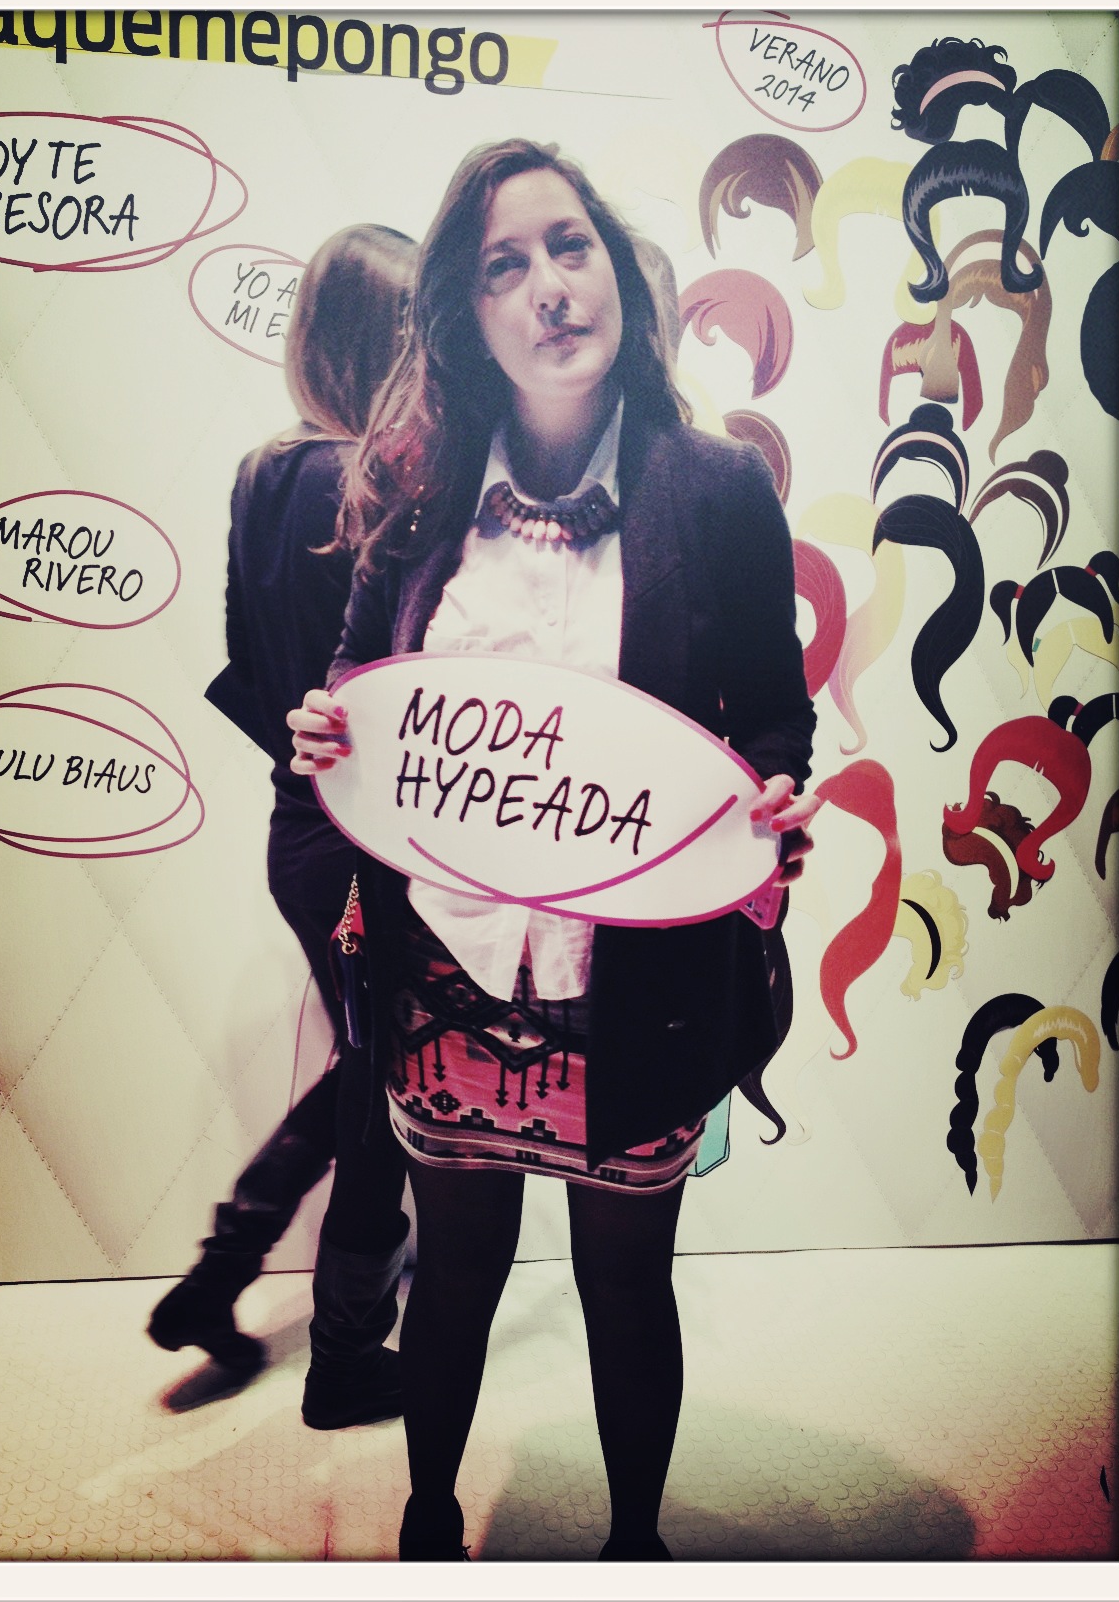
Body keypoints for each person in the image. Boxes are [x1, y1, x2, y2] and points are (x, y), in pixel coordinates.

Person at [287, 140, 818, 1559]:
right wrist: (330, 730)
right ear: (467, 316)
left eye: (569, 245)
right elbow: (359, 679)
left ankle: (634, 1545)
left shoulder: (717, 491)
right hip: (448, 970)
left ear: (616, 272)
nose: (547, 286)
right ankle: (429, 1523)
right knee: (455, 1273)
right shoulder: (416, 492)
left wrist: (774, 803)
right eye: (503, 266)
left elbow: (773, 717)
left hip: (636, 981)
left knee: (625, 1283)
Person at [147, 225, 417, 1429]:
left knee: (372, 1066)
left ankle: (219, 1278)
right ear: (391, 344)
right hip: (362, 853)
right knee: (384, 1089)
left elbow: (248, 669)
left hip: (301, 841)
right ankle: (346, 1355)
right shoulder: (367, 483)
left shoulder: (264, 473)